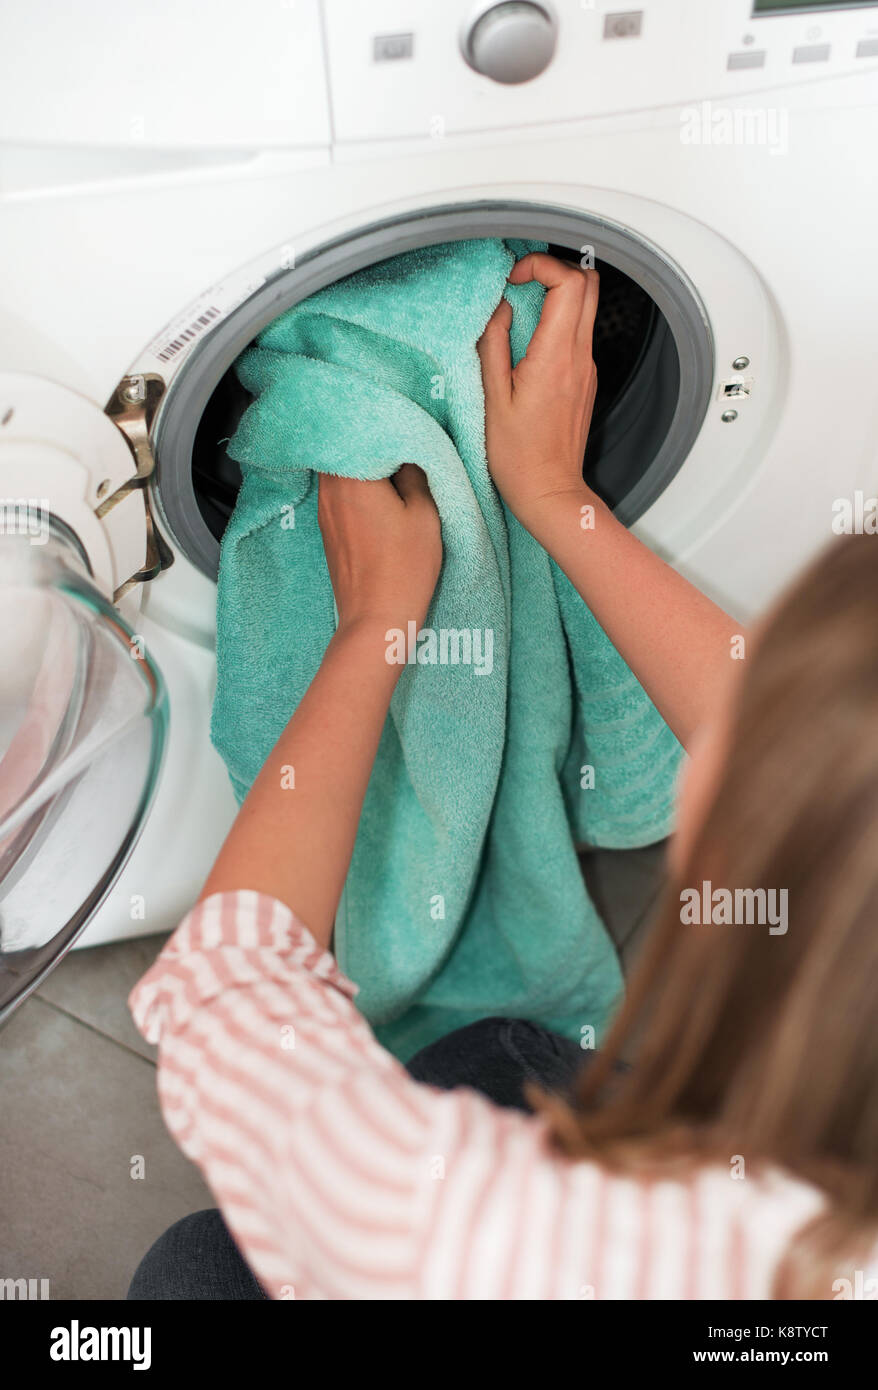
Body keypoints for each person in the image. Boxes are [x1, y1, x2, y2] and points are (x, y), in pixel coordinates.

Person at [128, 254, 878, 1300]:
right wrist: (548, 491)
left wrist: (374, 625)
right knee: (493, 1056)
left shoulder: (483, 1236)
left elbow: (225, 987)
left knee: (190, 1274)